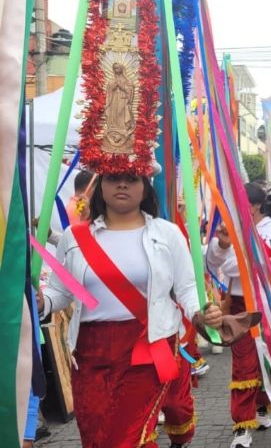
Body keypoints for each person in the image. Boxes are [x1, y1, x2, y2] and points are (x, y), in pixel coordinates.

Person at [38, 171, 223, 447]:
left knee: (125, 438)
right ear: (100, 186)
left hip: (146, 347)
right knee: (96, 436)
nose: (122, 184)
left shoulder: (167, 233)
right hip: (89, 354)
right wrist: (42, 301)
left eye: (132, 178)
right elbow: (61, 292)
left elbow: (186, 289)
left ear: (145, 186)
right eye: (113, 178)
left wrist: (201, 313)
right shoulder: (73, 237)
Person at [206, 183, 271, 448]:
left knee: (267, 360)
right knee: (244, 363)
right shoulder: (228, 230)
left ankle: (261, 407)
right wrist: (223, 247)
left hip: (268, 304)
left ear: (255, 205)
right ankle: (241, 426)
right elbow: (217, 265)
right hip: (238, 306)